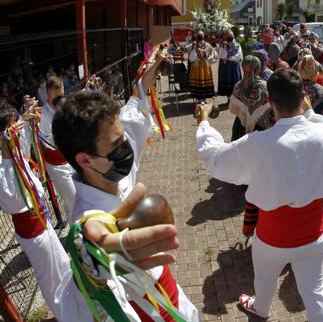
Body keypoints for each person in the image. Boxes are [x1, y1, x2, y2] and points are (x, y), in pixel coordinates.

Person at [52, 57, 199, 321]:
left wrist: (154, 61)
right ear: (85, 160)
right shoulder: (88, 223)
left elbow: (135, 101)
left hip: (173, 296)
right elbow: (88, 257)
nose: (126, 146)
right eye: (117, 143)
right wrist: (92, 267)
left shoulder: (109, 160)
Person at [195, 68, 323, 322]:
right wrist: (307, 108)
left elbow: (216, 158)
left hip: (274, 239)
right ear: (303, 96)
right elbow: (314, 120)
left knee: (265, 279)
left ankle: (261, 309)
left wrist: (203, 122)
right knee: (314, 292)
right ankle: (264, 308)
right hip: (314, 235)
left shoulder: (259, 143)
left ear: (269, 101)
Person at [0, 99, 70, 320]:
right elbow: (11, 201)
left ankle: (76, 305)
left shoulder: (14, 151)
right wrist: (6, 154)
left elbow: (23, 141)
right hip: (32, 234)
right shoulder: (3, 162)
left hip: (43, 221)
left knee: (62, 265)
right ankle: (65, 314)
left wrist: (28, 120)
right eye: (12, 129)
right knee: (50, 280)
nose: (16, 132)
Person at [39, 76, 76, 217]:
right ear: (48, 96)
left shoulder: (65, 107)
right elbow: (48, 141)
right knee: (72, 199)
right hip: (57, 164)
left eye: (62, 95)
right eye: (56, 97)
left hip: (71, 158)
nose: (60, 100)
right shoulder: (41, 114)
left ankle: (76, 228)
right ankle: (79, 233)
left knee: (75, 198)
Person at [229, 55, 270, 141]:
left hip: (239, 125)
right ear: (258, 69)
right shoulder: (265, 86)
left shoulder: (237, 86)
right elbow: (268, 108)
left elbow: (233, 107)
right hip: (258, 129)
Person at [189, 30, 218, 100]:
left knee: (203, 82)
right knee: (200, 82)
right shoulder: (196, 45)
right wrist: (208, 60)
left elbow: (215, 55)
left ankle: (202, 99)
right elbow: (215, 55)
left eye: (199, 35)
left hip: (201, 67)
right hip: (200, 67)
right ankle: (201, 99)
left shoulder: (207, 45)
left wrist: (208, 59)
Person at [218, 31, 243, 103]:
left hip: (233, 66)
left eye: (230, 36)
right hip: (226, 67)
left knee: (235, 82)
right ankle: (229, 99)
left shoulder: (237, 45)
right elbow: (221, 55)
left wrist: (229, 58)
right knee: (227, 81)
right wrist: (224, 48)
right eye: (228, 36)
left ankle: (235, 99)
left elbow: (238, 56)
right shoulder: (223, 45)